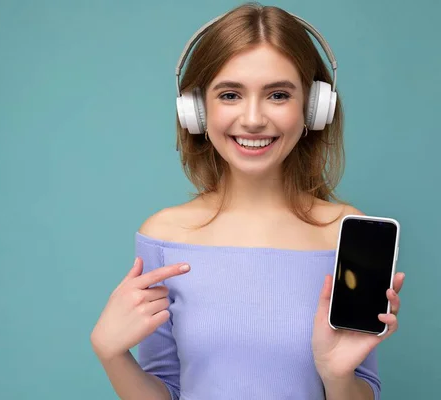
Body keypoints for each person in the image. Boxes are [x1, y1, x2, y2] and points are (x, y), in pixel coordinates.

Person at [90, 3, 404, 399]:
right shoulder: (164, 235)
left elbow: (363, 389)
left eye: (277, 94)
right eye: (230, 94)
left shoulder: (348, 234)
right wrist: (111, 355)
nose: (253, 119)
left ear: (313, 108)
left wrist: (337, 375)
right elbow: (166, 389)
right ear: (198, 111)